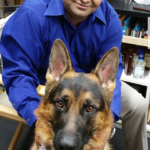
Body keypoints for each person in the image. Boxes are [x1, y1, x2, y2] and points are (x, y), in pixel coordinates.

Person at [0, 0, 148, 150]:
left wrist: (108, 122)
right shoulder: (31, 14)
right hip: (46, 88)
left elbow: (110, 76)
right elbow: (18, 74)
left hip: (92, 90)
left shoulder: (110, 19)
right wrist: (36, 119)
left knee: (138, 104)